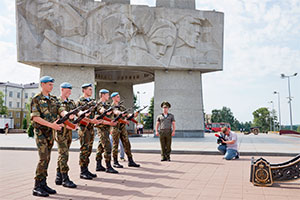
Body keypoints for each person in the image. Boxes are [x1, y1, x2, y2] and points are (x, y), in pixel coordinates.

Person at [30, 76, 64, 197]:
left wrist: (66, 115)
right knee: (43, 157)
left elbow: (61, 109)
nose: (51, 86)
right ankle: (37, 186)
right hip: (40, 132)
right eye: (49, 84)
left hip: (50, 132)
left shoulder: (54, 99)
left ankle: (43, 183)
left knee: (48, 158)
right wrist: (51, 125)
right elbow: (35, 118)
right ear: (43, 84)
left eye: (52, 84)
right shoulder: (36, 99)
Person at [55, 82, 77, 188]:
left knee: (63, 154)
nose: (70, 92)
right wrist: (68, 125)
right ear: (62, 89)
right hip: (60, 132)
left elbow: (75, 114)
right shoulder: (56, 102)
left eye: (70, 90)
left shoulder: (71, 103)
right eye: (68, 90)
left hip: (68, 133)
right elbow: (57, 119)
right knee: (64, 154)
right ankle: (65, 178)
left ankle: (58, 177)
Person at [110, 92, 140, 168]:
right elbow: (116, 113)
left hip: (122, 127)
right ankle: (115, 161)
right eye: (117, 97)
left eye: (119, 96)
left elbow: (127, 115)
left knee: (127, 143)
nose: (118, 98)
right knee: (115, 145)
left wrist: (133, 115)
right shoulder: (111, 107)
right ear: (113, 98)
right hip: (115, 128)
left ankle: (130, 160)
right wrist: (121, 114)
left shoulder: (122, 107)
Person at [76, 83, 99, 180]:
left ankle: (86, 169)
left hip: (91, 128)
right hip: (83, 128)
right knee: (84, 149)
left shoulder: (93, 102)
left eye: (91, 89)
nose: (91, 91)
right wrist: (91, 120)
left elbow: (99, 109)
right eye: (89, 89)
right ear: (84, 90)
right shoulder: (79, 102)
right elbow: (79, 116)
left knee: (89, 149)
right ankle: (82, 171)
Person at [95, 89, 118, 173]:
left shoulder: (107, 104)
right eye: (107, 95)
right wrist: (105, 112)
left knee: (100, 146)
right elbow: (101, 110)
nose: (108, 96)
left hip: (107, 128)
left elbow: (113, 111)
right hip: (101, 128)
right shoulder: (98, 104)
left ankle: (98, 165)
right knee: (107, 146)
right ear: (102, 95)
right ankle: (108, 166)